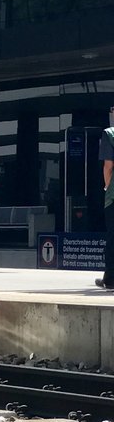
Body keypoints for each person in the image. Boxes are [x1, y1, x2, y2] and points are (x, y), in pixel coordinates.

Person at [100, 113, 114, 290]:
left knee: (112, 236)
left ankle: (110, 279)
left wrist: (107, 186)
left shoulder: (109, 134)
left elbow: (108, 166)